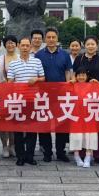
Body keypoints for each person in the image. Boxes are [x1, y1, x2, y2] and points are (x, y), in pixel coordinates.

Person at [35, 27, 73, 163]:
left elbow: (68, 73)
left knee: (61, 124)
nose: (51, 40)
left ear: (57, 39)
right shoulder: (39, 55)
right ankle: (47, 152)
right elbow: (37, 74)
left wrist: (68, 88)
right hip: (44, 96)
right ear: (45, 39)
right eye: (49, 37)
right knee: (45, 124)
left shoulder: (65, 55)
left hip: (61, 95)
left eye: (53, 37)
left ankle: (61, 152)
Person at [7, 37, 45, 166]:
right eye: (22, 45)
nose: (25, 48)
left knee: (32, 130)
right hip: (18, 101)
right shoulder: (13, 63)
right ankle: (20, 156)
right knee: (18, 130)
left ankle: (30, 156)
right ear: (18, 46)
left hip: (32, 101)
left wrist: (36, 79)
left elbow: (43, 77)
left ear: (30, 47)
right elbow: (10, 81)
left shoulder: (37, 61)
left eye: (27, 45)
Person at [73, 36, 99, 163]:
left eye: (93, 44)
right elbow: (74, 76)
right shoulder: (79, 59)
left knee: (98, 124)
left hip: (98, 96)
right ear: (84, 45)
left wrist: (98, 83)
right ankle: (82, 152)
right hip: (82, 97)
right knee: (82, 124)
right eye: (88, 44)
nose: (90, 46)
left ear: (97, 45)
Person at [69, 66, 98, 168]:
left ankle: (88, 156)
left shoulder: (91, 85)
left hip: (89, 115)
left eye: (83, 75)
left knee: (90, 136)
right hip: (76, 115)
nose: (81, 77)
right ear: (76, 76)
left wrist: (97, 84)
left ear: (87, 76)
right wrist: (70, 82)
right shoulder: (72, 85)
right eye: (79, 75)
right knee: (76, 136)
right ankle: (77, 156)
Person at [0, 36, 19, 157]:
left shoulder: (20, 58)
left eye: (12, 43)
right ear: (4, 45)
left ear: (16, 45)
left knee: (14, 120)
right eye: (8, 43)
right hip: (3, 93)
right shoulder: (1, 59)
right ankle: (4, 146)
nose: (10, 45)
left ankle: (12, 145)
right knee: (3, 121)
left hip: (17, 94)